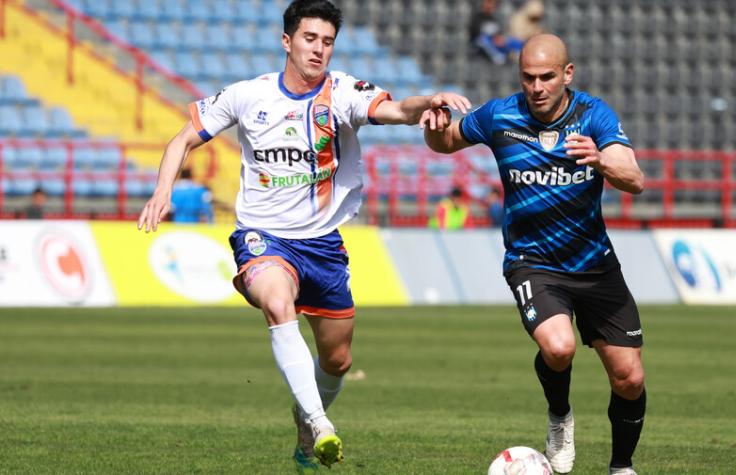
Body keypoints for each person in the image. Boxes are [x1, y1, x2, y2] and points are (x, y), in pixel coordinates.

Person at [137, 1, 470, 472]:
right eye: (310, 39)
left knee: (337, 358)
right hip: (263, 237)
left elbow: (395, 110)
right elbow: (182, 140)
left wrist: (426, 103)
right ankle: (320, 424)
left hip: (323, 244)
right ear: (287, 41)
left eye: (327, 42)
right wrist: (162, 191)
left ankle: (303, 416)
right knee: (277, 302)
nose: (319, 49)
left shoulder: (343, 92)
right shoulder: (247, 95)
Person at [422, 34, 646, 475]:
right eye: (528, 77)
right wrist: (432, 128)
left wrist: (600, 161)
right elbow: (445, 143)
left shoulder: (593, 115)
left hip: (595, 264)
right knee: (559, 347)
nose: (537, 86)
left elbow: (634, 178)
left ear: (568, 74)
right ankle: (560, 416)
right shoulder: (499, 115)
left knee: (630, 377)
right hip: (534, 261)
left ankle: (621, 467)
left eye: (547, 77)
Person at [469, 0, 523, 65]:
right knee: (484, 40)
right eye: (488, 3)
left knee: (513, 41)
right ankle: (497, 56)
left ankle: (519, 55)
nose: (490, 6)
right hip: (481, 43)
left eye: (492, 4)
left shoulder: (494, 19)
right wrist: (492, 38)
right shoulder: (477, 18)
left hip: (495, 42)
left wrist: (499, 39)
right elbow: (476, 34)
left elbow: (498, 33)